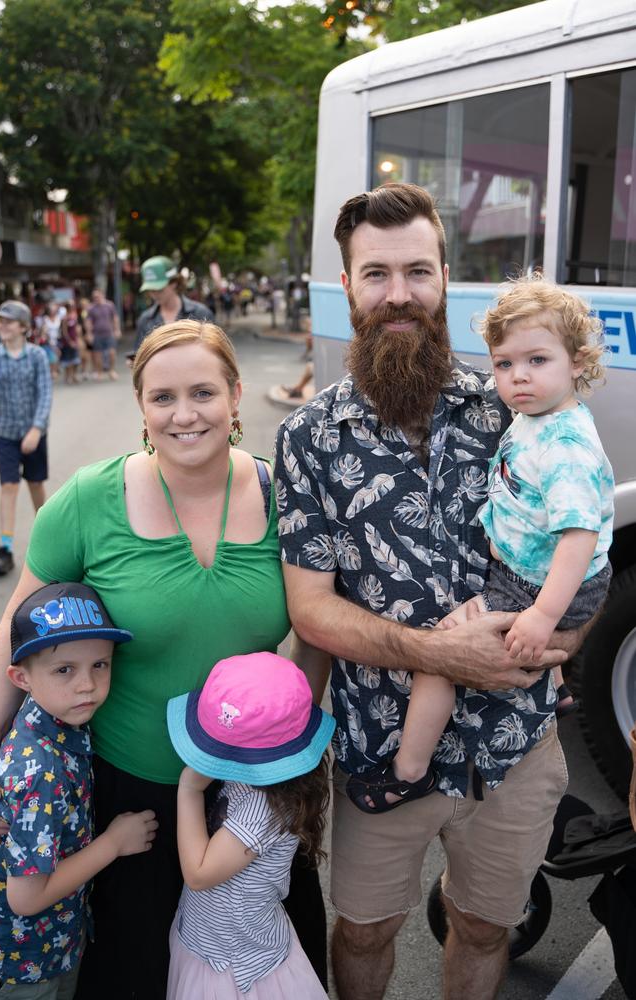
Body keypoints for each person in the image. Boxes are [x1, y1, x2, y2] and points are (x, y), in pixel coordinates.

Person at [274, 182, 588, 1000]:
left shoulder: (514, 410)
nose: (399, 294)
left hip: (514, 743)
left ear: (446, 278)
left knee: (487, 926)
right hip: (383, 750)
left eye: (418, 270)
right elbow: (310, 608)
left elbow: (580, 540)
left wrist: (570, 636)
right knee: (366, 933)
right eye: (376, 274)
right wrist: (438, 653)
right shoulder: (308, 438)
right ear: (346, 286)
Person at [0, 319, 329, 999]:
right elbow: (13, 628)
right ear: (140, 406)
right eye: (162, 397)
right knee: (135, 972)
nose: (184, 414)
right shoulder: (87, 501)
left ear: (236, 396)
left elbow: (315, 631)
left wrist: (296, 748)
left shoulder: (287, 499)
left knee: (265, 970)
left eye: (203, 392)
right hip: (128, 797)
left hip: (253, 794)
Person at [345, 274, 614, 815]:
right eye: (504, 364)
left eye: (537, 361)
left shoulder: (564, 445)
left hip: (539, 582)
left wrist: (541, 616)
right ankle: (555, 686)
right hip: (526, 571)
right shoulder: (539, 417)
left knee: (442, 652)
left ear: (579, 362)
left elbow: (580, 536)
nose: (518, 377)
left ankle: (408, 770)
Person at [0, 581, 157, 997]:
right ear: (20, 677)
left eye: (100, 664)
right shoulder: (39, 769)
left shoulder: (52, 717)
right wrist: (114, 843)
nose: (87, 684)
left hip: (49, 944)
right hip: (24, 964)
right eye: (65, 669)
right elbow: (25, 898)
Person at [165, 650, 334, 999]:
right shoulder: (261, 780)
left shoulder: (265, 809)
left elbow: (199, 873)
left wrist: (189, 789)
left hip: (234, 967)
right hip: (212, 941)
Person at [0, 300, 52, 578]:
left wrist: (37, 429)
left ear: (24, 327)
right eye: (0, 320)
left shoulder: (37, 356)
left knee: (35, 484)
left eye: (9, 321)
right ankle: (5, 548)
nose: (2, 325)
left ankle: (50, 539)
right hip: (4, 433)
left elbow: (45, 393)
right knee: (9, 486)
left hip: (33, 433)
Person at [133, 256, 213, 354]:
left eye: (159, 289)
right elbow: (138, 354)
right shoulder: (145, 319)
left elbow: (215, 353)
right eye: (150, 290)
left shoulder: (201, 313)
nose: (154, 294)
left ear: (174, 283)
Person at [85, 288, 121, 380]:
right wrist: (89, 334)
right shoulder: (91, 308)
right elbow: (88, 321)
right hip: (97, 334)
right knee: (97, 354)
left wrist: (117, 330)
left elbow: (115, 318)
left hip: (109, 333)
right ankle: (99, 372)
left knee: (112, 353)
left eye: (97, 296)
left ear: (102, 295)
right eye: (94, 297)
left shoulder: (109, 305)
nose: (96, 298)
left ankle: (111, 370)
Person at [59, 300, 83, 385]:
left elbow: (77, 329)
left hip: (75, 340)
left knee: (75, 359)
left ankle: (74, 375)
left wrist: (78, 339)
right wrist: (69, 341)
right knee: (68, 360)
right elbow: (64, 332)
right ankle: (67, 376)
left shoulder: (74, 316)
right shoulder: (65, 318)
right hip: (67, 342)